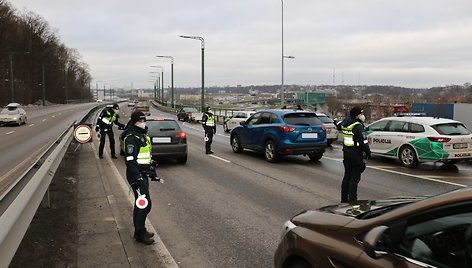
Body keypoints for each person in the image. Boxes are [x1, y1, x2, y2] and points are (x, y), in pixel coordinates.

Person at [123, 111, 155, 245]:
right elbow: (130, 160)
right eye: (140, 121)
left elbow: (145, 156)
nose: (143, 123)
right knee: (145, 204)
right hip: (136, 175)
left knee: (140, 203)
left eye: (144, 120)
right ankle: (140, 233)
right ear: (135, 122)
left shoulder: (142, 135)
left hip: (142, 173)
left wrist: (151, 170)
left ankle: (139, 231)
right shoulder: (131, 137)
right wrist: (138, 177)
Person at [337, 106, 371, 203]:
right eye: (361, 114)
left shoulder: (345, 123)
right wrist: (369, 153)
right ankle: (353, 201)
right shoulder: (357, 126)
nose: (362, 116)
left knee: (347, 177)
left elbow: (338, 125)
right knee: (354, 178)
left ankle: (344, 200)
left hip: (346, 152)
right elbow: (363, 142)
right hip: (356, 154)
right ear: (357, 115)